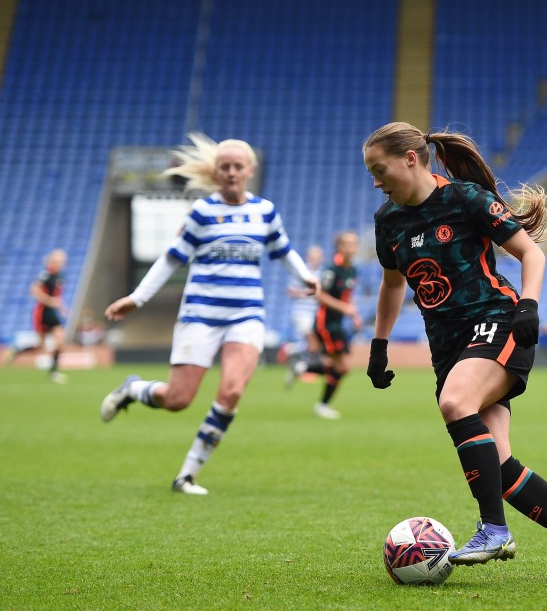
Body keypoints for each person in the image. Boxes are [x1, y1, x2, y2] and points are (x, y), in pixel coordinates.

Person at [362, 122, 547, 584]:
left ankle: (494, 530)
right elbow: (392, 284)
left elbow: (531, 254)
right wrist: (379, 345)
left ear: (410, 159)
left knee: (455, 403)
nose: (376, 181)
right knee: (497, 464)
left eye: (380, 170)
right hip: (449, 349)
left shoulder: (465, 199)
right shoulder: (389, 221)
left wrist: (529, 306)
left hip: (497, 323)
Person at [99, 133, 318, 495]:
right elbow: (172, 258)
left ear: (250, 170)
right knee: (177, 400)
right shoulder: (201, 213)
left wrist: (306, 276)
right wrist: (137, 298)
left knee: (231, 392)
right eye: (224, 167)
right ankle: (133, 389)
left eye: (237, 166)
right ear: (216, 173)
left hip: (246, 316)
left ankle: (186, 475)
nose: (231, 172)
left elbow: (284, 251)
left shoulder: (264, 211)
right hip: (200, 316)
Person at [286, 231, 364, 419]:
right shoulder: (332, 269)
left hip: (338, 324)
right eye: (346, 244)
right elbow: (319, 295)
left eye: (353, 244)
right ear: (339, 247)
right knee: (341, 366)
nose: (351, 248)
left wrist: (354, 315)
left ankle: (303, 368)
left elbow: (347, 298)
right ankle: (322, 405)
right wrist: (345, 309)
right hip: (325, 323)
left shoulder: (352, 270)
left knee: (339, 366)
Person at [6, 249, 70, 383]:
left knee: (60, 341)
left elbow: (56, 297)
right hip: (42, 313)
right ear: (54, 260)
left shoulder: (60, 275)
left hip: (52, 313)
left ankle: (53, 373)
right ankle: (17, 350)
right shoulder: (46, 274)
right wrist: (50, 301)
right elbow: (34, 291)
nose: (63, 261)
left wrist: (62, 308)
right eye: (61, 259)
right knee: (40, 346)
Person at [284, 244, 324, 364]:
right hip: (302, 313)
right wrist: (307, 293)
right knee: (313, 342)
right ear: (308, 257)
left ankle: (292, 350)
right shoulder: (302, 271)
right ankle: (304, 365)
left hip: (316, 313)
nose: (316, 259)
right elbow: (290, 291)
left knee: (315, 344)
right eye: (313, 257)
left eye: (318, 257)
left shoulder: (322, 272)